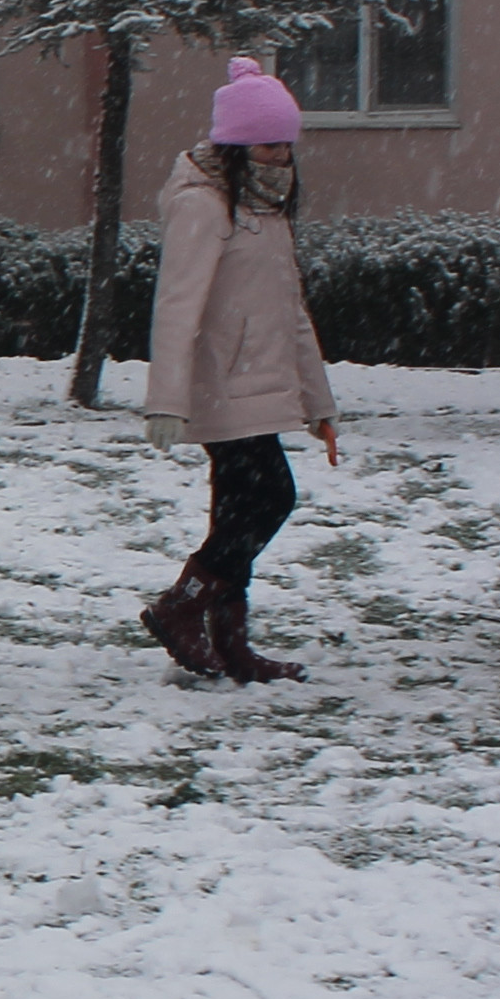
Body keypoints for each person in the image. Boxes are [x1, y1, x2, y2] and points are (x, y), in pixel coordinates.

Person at [139, 58, 340, 683]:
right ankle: (181, 608)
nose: (279, 153)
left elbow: (292, 312)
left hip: (261, 386)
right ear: (233, 144)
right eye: (266, 141)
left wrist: (319, 403)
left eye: (285, 141)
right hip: (224, 387)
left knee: (235, 514)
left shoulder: (266, 207)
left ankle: (230, 646)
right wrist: (166, 400)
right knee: (273, 497)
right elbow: (177, 305)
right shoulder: (204, 205)